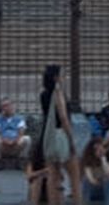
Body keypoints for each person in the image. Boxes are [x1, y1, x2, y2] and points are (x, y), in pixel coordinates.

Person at [39, 65, 80, 205]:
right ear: (56, 77)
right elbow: (63, 118)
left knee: (53, 176)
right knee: (74, 176)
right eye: (62, 74)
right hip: (61, 136)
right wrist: (71, 140)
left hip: (49, 137)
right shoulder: (58, 93)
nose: (64, 77)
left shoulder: (44, 94)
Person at [0, 99, 32, 166]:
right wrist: (4, 140)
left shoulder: (20, 118)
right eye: (3, 106)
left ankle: (21, 160)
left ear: (12, 106)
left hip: (16, 145)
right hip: (3, 145)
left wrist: (14, 141)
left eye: (7, 105)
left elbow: (21, 132)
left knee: (27, 138)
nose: (5, 108)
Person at [81, 139, 109, 204]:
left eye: (101, 149)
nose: (99, 151)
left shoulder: (108, 159)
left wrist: (103, 159)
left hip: (104, 190)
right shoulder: (88, 161)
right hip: (92, 190)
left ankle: (108, 203)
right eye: (96, 149)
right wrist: (95, 180)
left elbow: (108, 172)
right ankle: (85, 202)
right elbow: (90, 177)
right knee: (86, 179)